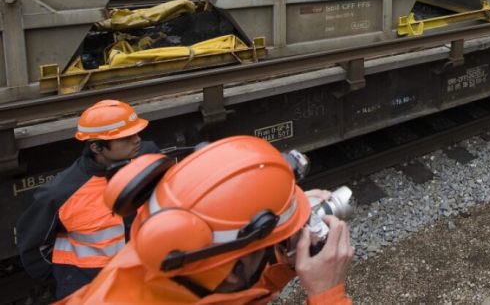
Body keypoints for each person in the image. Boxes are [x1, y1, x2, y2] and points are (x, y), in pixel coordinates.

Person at [57, 135, 354, 304]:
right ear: (234, 272)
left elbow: (228, 287)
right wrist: (326, 292)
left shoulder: (151, 264)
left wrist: (281, 258)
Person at [15, 99, 157, 298]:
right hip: (89, 288)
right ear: (97, 148)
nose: (137, 140)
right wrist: (66, 278)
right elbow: (33, 246)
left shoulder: (147, 157)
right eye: (126, 138)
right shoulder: (61, 193)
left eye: (136, 133)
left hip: (139, 277)